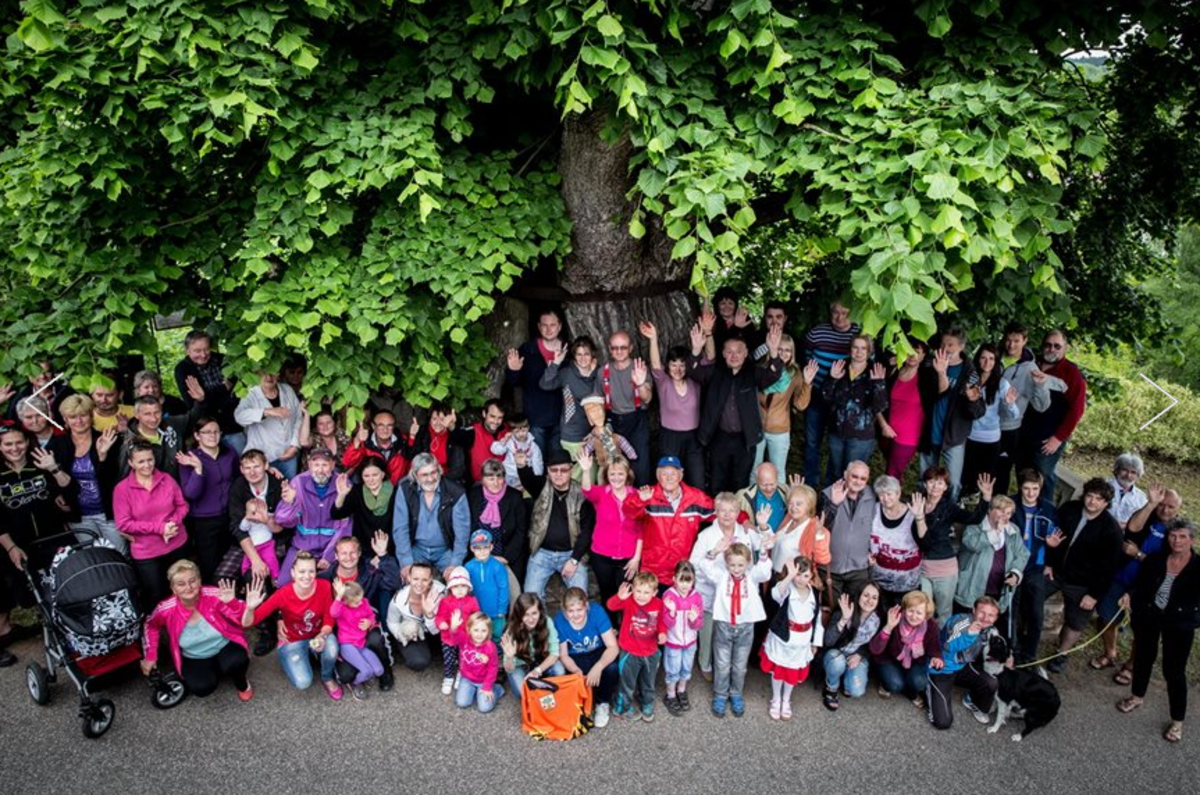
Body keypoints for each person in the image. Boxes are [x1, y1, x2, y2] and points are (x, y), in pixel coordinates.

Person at [1116, 519, 1200, 744]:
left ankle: (1177, 721)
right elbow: (1141, 585)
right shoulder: (1155, 560)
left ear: (1192, 539)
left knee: (1174, 671)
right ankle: (1137, 696)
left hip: (1180, 624)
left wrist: (1193, 618)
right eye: (1173, 536)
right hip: (1150, 615)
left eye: (1183, 536)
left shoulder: (1198, 566)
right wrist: (1129, 595)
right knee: (1143, 658)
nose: (1177, 541)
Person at [0, 423, 76, 667]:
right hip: (18, 545)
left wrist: (53, 468)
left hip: (52, 538)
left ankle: (67, 632)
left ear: (27, 442)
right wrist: (11, 547)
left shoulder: (40, 465)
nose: (15, 448)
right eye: (8, 444)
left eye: (19, 442)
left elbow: (66, 489)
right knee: (20, 591)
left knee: (61, 585)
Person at [1097, 483, 1181, 684]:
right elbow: (1133, 527)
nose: (1165, 510)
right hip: (1120, 577)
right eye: (1162, 505)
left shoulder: (1179, 532)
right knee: (1105, 617)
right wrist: (1151, 504)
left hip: (1147, 588)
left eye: (1171, 506)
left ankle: (1131, 666)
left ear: (1178, 508)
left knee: (1143, 631)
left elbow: (1168, 566)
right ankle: (1110, 653)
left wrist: (1139, 555)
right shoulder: (1149, 513)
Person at [1042, 477, 1124, 673]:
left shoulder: (1111, 530)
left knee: (1076, 620)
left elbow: (1109, 568)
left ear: (1106, 503)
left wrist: (1094, 594)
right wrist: (1048, 563)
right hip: (1056, 572)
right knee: (1031, 595)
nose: (1092, 501)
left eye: (1098, 499)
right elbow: (1054, 534)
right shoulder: (1069, 509)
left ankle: (1061, 654)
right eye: (1089, 496)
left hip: (1083, 584)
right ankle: (1022, 640)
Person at [689, 325, 784, 493]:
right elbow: (693, 371)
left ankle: (739, 517)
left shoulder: (753, 373)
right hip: (719, 437)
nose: (734, 356)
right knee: (717, 480)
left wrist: (774, 351)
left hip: (744, 439)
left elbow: (773, 374)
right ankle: (716, 517)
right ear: (723, 354)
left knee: (740, 482)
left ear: (746, 353)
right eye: (729, 352)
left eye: (738, 351)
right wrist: (696, 350)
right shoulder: (715, 372)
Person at [140, 561, 252, 700]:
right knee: (202, 688)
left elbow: (243, 620)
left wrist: (233, 602)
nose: (188, 587)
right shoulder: (166, 609)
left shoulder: (215, 594)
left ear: (199, 581)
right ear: (173, 588)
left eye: (192, 581)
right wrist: (151, 655)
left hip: (224, 645)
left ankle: (242, 682)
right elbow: (150, 625)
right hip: (194, 655)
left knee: (237, 662)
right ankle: (216, 669)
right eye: (181, 584)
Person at [242, 553, 342, 699]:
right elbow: (249, 622)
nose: (307, 576)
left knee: (332, 646)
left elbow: (328, 618)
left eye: (311, 571)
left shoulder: (324, 586)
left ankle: (327, 677)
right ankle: (296, 654)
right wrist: (250, 608)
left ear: (316, 571)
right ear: (293, 572)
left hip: (316, 635)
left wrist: (321, 635)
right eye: (302, 571)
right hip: (292, 639)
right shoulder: (283, 594)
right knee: (303, 682)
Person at [689, 491, 761, 681]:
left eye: (732, 511)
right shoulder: (706, 535)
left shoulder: (746, 534)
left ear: (738, 513)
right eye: (722, 511)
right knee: (708, 633)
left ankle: (730, 669)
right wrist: (714, 552)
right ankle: (705, 663)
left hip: (737, 597)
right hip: (710, 594)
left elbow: (754, 564)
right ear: (716, 512)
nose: (727, 515)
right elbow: (693, 565)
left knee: (731, 638)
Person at [697, 540, 773, 717]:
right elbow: (704, 565)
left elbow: (764, 571)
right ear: (726, 564)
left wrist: (763, 551)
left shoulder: (752, 577)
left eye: (740, 565)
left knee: (739, 666)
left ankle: (736, 693)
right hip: (724, 626)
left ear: (747, 563)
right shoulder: (721, 576)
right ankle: (720, 695)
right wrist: (715, 550)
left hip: (745, 627)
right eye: (732, 564)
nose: (736, 568)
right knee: (722, 664)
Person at [114, 439, 191, 610]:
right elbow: (124, 524)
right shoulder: (122, 489)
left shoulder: (167, 479)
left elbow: (183, 505)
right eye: (141, 461)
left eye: (150, 459)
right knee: (156, 594)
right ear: (131, 463)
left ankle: (183, 626)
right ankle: (157, 630)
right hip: (147, 552)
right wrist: (160, 528)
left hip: (177, 543)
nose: (147, 465)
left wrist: (172, 523)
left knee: (183, 590)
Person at [318, 534, 399, 691]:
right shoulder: (326, 577)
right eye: (343, 553)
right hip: (341, 633)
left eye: (353, 552)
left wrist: (383, 556)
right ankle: (356, 676)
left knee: (376, 639)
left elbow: (394, 582)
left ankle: (385, 670)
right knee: (346, 675)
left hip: (364, 623)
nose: (349, 557)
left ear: (360, 553)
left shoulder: (369, 572)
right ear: (336, 555)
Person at [625, 456, 715, 590]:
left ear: (681, 475)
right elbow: (628, 511)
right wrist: (640, 500)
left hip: (681, 574)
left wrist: (744, 519)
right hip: (653, 572)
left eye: (673, 473)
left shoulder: (695, 498)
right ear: (657, 475)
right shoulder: (648, 495)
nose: (669, 477)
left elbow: (722, 511)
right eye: (664, 473)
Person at [914, 467, 992, 622]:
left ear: (945, 487)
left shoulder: (949, 507)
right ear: (925, 484)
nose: (935, 486)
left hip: (944, 568)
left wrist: (986, 498)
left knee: (943, 612)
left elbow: (974, 518)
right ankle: (919, 644)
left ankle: (941, 644)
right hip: (921, 567)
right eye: (931, 481)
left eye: (940, 483)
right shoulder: (917, 503)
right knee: (921, 610)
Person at [1018, 329, 1086, 495]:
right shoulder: (1031, 365)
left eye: (1057, 346)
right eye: (1048, 345)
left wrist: (1058, 438)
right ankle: (1019, 512)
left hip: (1049, 438)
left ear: (1065, 348)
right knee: (1022, 474)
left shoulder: (1072, 374)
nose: (1052, 349)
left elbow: (1077, 410)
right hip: (1024, 433)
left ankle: (1046, 515)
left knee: (1043, 476)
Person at [917, 327, 984, 499]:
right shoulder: (930, 365)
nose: (945, 348)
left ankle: (948, 516)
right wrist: (940, 372)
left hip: (954, 436)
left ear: (961, 347)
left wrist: (972, 400)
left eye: (951, 345)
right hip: (930, 431)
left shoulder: (970, 373)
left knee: (953, 482)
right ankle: (921, 513)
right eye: (943, 344)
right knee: (925, 479)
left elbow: (977, 412)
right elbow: (933, 394)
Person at [518, 449, 594, 598]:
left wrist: (574, 559)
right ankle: (544, 622)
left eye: (563, 469)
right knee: (531, 598)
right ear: (548, 471)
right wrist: (521, 465)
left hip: (571, 554)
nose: (558, 473)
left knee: (580, 597)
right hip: (542, 554)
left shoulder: (581, 494)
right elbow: (528, 479)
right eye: (554, 470)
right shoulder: (541, 487)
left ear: (571, 470)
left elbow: (587, 531)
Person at [639, 320, 705, 488]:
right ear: (667, 366)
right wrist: (653, 338)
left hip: (693, 438)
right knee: (669, 480)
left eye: (682, 365)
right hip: (670, 438)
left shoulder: (696, 381)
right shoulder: (664, 383)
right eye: (673, 364)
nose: (678, 369)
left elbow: (707, 361)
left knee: (696, 480)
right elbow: (655, 364)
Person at [802, 300, 859, 486]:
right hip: (817, 395)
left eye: (844, 313)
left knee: (836, 446)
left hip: (843, 401)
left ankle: (832, 487)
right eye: (835, 312)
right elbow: (807, 357)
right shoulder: (817, 333)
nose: (839, 317)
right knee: (812, 442)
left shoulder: (858, 333)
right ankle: (810, 484)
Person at [57, 395, 125, 554]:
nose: (79, 421)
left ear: (92, 415)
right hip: (79, 516)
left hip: (108, 513)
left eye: (83, 415)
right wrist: (57, 495)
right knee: (93, 557)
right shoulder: (58, 444)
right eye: (73, 417)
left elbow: (115, 477)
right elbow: (51, 475)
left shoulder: (107, 439)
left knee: (120, 554)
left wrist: (102, 456)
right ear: (65, 419)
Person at [275, 448, 352, 583]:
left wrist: (328, 556)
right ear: (309, 465)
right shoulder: (298, 482)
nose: (320, 470)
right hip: (302, 547)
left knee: (333, 589)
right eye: (316, 465)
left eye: (325, 465)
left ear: (333, 465)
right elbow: (282, 521)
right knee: (283, 584)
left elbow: (344, 528)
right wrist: (291, 503)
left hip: (333, 549)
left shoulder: (342, 483)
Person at [579, 451, 642, 616]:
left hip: (628, 559)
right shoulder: (601, 493)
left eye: (620, 473)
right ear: (607, 475)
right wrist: (586, 470)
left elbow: (641, 529)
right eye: (612, 473)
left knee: (627, 597)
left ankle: (625, 636)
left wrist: (636, 558)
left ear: (627, 474)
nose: (616, 477)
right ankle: (610, 634)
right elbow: (587, 490)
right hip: (602, 556)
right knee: (608, 596)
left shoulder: (636, 495)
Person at [761, 555, 823, 720]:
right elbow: (775, 593)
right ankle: (776, 698)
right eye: (798, 573)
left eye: (805, 575)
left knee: (792, 671)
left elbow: (818, 620)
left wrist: (815, 642)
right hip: (784, 637)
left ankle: (786, 700)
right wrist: (789, 575)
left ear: (811, 576)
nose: (801, 579)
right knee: (779, 669)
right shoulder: (787, 588)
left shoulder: (814, 594)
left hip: (803, 640)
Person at [392, 452, 471, 582]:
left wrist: (455, 564)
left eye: (433, 472)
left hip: (446, 550)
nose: (430, 479)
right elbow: (401, 528)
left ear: (439, 471)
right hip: (417, 549)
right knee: (409, 583)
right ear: (415, 475)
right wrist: (406, 562)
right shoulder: (405, 489)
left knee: (457, 583)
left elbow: (462, 533)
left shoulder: (455, 492)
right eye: (424, 475)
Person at [954, 496, 1028, 632]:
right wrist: (995, 531)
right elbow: (973, 544)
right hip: (972, 588)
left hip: (998, 588)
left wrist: (1016, 573)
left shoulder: (1013, 530)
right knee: (964, 626)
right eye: (1001, 511)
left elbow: (1022, 554)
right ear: (990, 510)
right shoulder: (975, 526)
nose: (1005, 516)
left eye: (1008, 513)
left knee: (987, 626)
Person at [177, 417, 238, 582]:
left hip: (228, 515)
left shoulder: (229, 452)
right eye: (207, 432)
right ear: (197, 436)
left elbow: (238, 478)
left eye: (216, 431)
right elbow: (191, 494)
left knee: (230, 560)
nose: (213, 435)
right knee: (209, 564)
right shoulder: (188, 458)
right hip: (203, 520)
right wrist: (198, 468)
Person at [995, 322, 1053, 494]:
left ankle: (997, 508)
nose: (1011, 345)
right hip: (983, 423)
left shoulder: (1030, 368)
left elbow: (1042, 406)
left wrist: (1041, 386)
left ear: (1024, 341)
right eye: (1008, 340)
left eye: (1016, 341)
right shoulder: (993, 357)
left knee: (1002, 470)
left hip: (1008, 429)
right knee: (979, 465)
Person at [928, 596, 1002, 729]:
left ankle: (972, 700)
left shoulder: (992, 630)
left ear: (995, 618)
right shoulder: (959, 621)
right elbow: (947, 647)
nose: (985, 618)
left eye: (991, 615)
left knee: (991, 682)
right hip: (942, 668)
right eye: (982, 612)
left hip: (962, 667)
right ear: (973, 610)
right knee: (943, 723)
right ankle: (927, 689)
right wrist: (970, 634)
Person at [822, 335, 888, 478]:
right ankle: (831, 500)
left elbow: (880, 406)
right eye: (855, 347)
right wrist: (832, 379)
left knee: (854, 476)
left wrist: (878, 385)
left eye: (863, 348)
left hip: (861, 436)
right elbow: (826, 397)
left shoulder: (874, 371)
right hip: (837, 432)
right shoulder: (840, 366)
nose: (859, 352)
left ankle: (852, 501)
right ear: (850, 349)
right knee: (835, 473)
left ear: (869, 351)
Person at [555, 587, 620, 728]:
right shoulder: (560, 620)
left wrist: (598, 667)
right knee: (567, 673)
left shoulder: (596, 612)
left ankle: (602, 702)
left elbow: (613, 647)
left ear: (586, 606)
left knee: (612, 668)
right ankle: (583, 699)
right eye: (570, 611)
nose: (576, 615)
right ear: (565, 611)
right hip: (576, 657)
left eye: (579, 609)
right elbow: (564, 655)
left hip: (598, 652)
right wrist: (576, 671)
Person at [960, 344, 1020, 496]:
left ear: (996, 361)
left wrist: (1009, 403)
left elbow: (1015, 415)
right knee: (968, 478)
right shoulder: (971, 380)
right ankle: (964, 509)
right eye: (983, 358)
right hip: (970, 437)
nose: (987, 362)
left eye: (992, 358)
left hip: (991, 440)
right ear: (978, 359)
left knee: (986, 480)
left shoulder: (1002, 383)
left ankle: (983, 510)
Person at [1011, 468, 1057, 663]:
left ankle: (1029, 655)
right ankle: (1011, 650)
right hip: (1012, 564)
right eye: (1026, 488)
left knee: (1036, 615)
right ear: (1020, 487)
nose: (1031, 493)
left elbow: (1056, 538)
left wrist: (1050, 561)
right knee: (1010, 610)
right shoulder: (1011, 505)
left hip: (1036, 567)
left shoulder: (1048, 509)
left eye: (1035, 489)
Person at [505, 308, 566, 455]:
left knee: (558, 462)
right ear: (538, 327)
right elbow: (513, 383)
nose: (548, 329)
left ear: (560, 326)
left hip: (562, 418)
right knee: (536, 460)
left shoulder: (568, 350)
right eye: (544, 325)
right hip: (535, 417)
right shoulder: (528, 349)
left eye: (553, 325)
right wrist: (514, 370)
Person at [605, 572, 665, 721]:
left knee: (648, 681)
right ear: (633, 589)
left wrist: (663, 633)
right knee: (627, 683)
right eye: (638, 591)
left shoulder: (658, 604)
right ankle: (622, 708)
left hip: (651, 651)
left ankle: (647, 702)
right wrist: (620, 597)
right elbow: (610, 606)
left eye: (646, 592)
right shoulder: (629, 601)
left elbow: (662, 622)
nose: (641, 596)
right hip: (630, 652)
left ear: (654, 592)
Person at [819, 460, 878, 608]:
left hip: (859, 568)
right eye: (854, 476)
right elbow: (819, 528)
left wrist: (874, 551)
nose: (858, 481)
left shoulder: (873, 497)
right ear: (846, 475)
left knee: (856, 610)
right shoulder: (827, 494)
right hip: (830, 567)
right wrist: (834, 504)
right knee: (832, 610)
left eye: (863, 478)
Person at [755, 335, 815, 476]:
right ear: (772, 348)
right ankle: (752, 498)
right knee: (754, 470)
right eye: (779, 349)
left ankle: (778, 498)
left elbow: (800, 405)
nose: (783, 353)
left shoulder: (794, 374)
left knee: (778, 472)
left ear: (792, 353)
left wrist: (807, 383)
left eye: (787, 350)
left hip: (779, 429)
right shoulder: (760, 369)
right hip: (756, 427)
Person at [173, 330, 243, 453]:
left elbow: (236, 392)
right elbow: (191, 402)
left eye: (206, 349)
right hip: (206, 428)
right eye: (197, 351)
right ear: (187, 350)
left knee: (243, 460)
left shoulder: (222, 360)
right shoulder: (182, 369)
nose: (203, 354)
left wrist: (205, 396)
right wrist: (222, 389)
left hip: (232, 423)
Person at [869, 590, 943, 705]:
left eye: (919, 613)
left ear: (926, 615)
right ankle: (886, 683)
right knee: (895, 684)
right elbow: (875, 649)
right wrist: (888, 627)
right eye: (910, 610)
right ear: (904, 609)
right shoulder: (894, 617)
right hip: (889, 658)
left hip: (915, 661)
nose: (913, 616)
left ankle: (910, 691)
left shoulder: (931, 626)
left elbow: (935, 648)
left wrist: (936, 657)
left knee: (919, 682)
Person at [539, 336, 601, 466]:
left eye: (586, 354)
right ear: (574, 356)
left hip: (594, 435)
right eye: (579, 354)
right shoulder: (567, 373)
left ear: (593, 355)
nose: (583, 358)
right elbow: (545, 384)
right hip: (571, 435)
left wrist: (592, 375)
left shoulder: (600, 374)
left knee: (590, 477)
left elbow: (604, 400)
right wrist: (556, 363)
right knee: (572, 476)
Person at [601, 330, 653, 486]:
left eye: (623, 347)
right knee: (612, 465)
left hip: (636, 419)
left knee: (640, 465)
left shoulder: (640, 368)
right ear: (609, 349)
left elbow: (648, 398)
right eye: (615, 348)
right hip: (613, 420)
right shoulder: (603, 372)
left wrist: (641, 383)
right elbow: (596, 402)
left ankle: (642, 505)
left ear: (630, 348)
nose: (618, 351)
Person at [119, 388, 206, 480]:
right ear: (137, 415)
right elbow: (124, 477)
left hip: (177, 487)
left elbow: (193, 418)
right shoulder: (130, 442)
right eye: (147, 414)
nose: (154, 418)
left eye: (157, 412)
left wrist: (200, 402)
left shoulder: (172, 424)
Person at [466, 459, 528, 584]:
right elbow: (467, 527)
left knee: (512, 590)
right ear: (483, 479)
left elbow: (521, 531)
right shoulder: (473, 496)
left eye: (499, 478)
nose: (496, 483)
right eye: (491, 478)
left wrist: (505, 558)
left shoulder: (515, 497)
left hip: (507, 554)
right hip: (477, 553)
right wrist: (478, 554)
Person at [821, 584, 882, 710]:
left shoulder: (877, 620)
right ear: (859, 595)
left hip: (856, 655)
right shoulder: (845, 611)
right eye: (866, 595)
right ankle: (831, 687)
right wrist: (843, 619)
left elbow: (873, 646)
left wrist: (860, 655)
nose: (870, 601)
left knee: (856, 691)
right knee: (838, 662)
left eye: (874, 598)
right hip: (836, 654)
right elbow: (828, 641)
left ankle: (846, 679)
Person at [234, 370, 303, 480]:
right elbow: (239, 416)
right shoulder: (251, 393)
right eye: (263, 373)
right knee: (268, 492)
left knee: (290, 490)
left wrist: (294, 446)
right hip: (263, 456)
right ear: (256, 373)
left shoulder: (287, 390)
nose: (268, 377)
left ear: (278, 373)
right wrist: (266, 411)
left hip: (288, 454)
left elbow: (298, 418)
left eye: (272, 372)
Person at [868, 475, 921, 610]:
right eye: (881, 495)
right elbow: (863, 534)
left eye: (889, 494)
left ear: (898, 493)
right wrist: (866, 552)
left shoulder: (913, 513)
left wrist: (920, 518)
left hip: (907, 584)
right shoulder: (873, 509)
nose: (885, 498)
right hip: (878, 581)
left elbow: (925, 541)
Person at [326, 579, 384, 700]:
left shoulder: (364, 602)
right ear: (345, 601)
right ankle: (356, 683)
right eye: (356, 602)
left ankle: (365, 676)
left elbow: (371, 615)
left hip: (360, 644)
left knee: (379, 670)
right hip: (347, 644)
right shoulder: (341, 607)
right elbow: (333, 613)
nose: (360, 603)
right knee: (367, 671)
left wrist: (370, 622)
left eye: (361, 599)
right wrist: (339, 596)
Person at [660, 560, 703, 717]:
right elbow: (666, 624)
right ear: (674, 579)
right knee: (673, 670)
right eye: (681, 580)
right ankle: (670, 695)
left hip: (690, 642)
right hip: (673, 642)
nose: (685, 585)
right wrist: (671, 612)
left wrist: (693, 619)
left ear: (693, 580)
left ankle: (681, 691)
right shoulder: (669, 596)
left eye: (689, 581)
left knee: (686, 668)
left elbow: (698, 625)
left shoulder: (696, 597)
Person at [879, 339, 927, 479]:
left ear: (923, 356)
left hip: (908, 437)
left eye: (917, 352)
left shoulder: (927, 378)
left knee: (892, 474)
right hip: (887, 432)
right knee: (893, 471)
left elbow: (943, 393)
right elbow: (880, 400)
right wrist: (883, 425)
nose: (912, 355)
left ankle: (886, 500)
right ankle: (894, 497)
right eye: (908, 350)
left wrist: (942, 372)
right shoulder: (894, 372)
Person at [384, 561, 445, 672]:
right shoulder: (399, 598)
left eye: (425, 580)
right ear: (409, 578)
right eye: (416, 579)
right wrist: (401, 634)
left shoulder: (441, 594)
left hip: (435, 631)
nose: (420, 584)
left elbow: (436, 631)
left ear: (431, 579)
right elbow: (392, 622)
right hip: (413, 633)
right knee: (418, 661)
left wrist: (430, 614)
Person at [500, 592, 564, 694]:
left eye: (534, 613)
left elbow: (554, 653)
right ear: (519, 614)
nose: (531, 619)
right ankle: (541, 688)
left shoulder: (547, 622)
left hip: (540, 662)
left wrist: (537, 670)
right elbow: (509, 669)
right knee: (523, 693)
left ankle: (540, 686)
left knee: (560, 671)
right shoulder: (511, 630)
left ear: (540, 611)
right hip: (519, 666)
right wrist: (510, 657)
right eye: (526, 614)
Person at [768, 484, 831, 583]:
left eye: (799, 504)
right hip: (774, 575)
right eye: (791, 503)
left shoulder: (814, 527)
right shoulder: (789, 518)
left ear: (809, 505)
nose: (793, 508)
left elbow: (823, 559)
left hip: (794, 581)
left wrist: (819, 534)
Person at [331, 460, 396, 556]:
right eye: (366, 476)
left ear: (382, 474)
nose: (371, 479)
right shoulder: (357, 491)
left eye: (375, 475)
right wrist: (341, 495)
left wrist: (382, 554)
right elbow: (336, 514)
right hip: (362, 552)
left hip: (389, 551)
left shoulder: (396, 492)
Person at [445, 611, 504, 713]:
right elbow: (454, 639)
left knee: (484, 708)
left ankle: (497, 689)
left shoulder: (491, 647)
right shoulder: (464, 638)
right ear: (469, 629)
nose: (479, 634)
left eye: (483, 631)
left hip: (483, 681)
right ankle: (474, 692)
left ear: (489, 632)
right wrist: (454, 628)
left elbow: (493, 667)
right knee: (462, 703)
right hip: (467, 678)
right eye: (476, 630)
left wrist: (487, 687)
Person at [435, 566, 480, 694]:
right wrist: (441, 623)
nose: (460, 590)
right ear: (450, 588)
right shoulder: (445, 601)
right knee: (449, 659)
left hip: (465, 638)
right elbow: (439, 616)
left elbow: (477, 616)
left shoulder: (472, 601)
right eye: (456, 586)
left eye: (463, 586)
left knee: (464, 658)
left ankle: (461, 674)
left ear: (468, 588)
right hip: (448, 637)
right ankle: (448, 677)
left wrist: (474, 628)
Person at [448, 399, 509, 486]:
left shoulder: (506, 430)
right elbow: (458, 436)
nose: (496, 422)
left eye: (499, 418)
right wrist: (451, 426)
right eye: (492, 416)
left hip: (505, 481)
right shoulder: (474, 432)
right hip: (481, 484)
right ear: (484, 414)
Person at [465, 529, 510, 644]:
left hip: (495, 610)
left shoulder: (497, 566)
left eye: (485, 548)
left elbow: (503, 588)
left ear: (491, 547)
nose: (482, 552)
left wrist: (502, 608)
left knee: (497, 633)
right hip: (477, 610)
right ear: (471, 548)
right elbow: (467, 589)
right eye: (478, 548)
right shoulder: (468, 567)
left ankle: (498, 653)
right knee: (481, 634)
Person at [577, 396, 639, 480]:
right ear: (589, 418)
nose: (596, 415)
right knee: (602, 482)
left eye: (598, 410)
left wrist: (631, 456)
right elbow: (586, 452)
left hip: (618, 466)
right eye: (592, 412)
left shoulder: (616, 437)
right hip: (603, 469)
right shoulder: (594, 440)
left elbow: (629, 450)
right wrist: (583, 449)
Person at [342, 410, 410, 485]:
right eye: (381, 425)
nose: (385, 430)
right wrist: (357, 441)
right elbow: (348, 462)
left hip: (397, 490)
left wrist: (413, 437)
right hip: (371, 490)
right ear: (373, 426)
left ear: (394, 426)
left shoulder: (404, 441)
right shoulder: (366, 442)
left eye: (389, 425)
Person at [406, 403, 466, 485]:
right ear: (429, 419)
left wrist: (440, 482)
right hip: (423, 479)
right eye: (434, 419)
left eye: (442, 419)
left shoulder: (454, 436)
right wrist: (412, 436)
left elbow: (458, 469)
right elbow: (412, 458)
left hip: (447, 480)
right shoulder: (422, 432)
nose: (438, 423)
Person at [490, 412, 543, 491]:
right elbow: (495, 450)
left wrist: (534, 481)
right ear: (511, 431)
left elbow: (538, 466)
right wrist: (504, 440)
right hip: (508, 478)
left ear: (528, 428)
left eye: (524, 431)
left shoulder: (533, 447)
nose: (521, 434)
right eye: (517, 432)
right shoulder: (509, 442)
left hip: (525, 479)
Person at [1106, 452, 1148, 530]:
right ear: (1117, 470)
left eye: (1133, 472)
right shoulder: (1103, 487)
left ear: (1138, 475)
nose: (1128, 475)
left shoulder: (1141, 499)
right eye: (1125, 470)